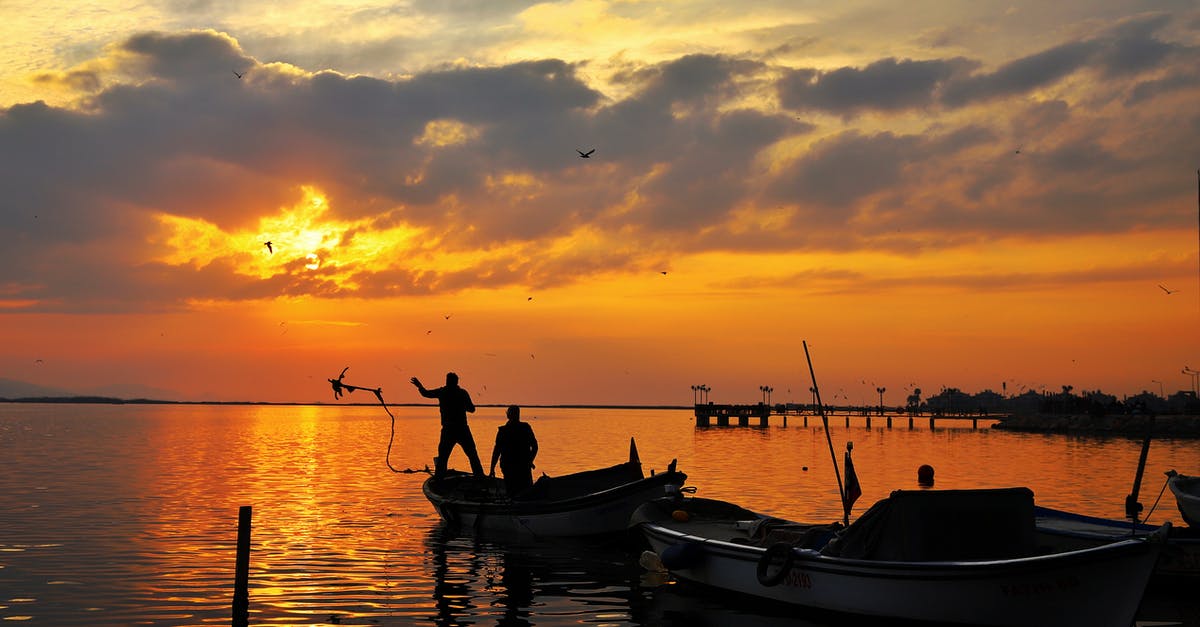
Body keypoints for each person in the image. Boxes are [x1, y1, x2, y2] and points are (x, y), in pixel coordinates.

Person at [412, 372, 485, 479]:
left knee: (443, 457)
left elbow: (426, 393)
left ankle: (439, 479)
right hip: (462, 429)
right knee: (472, 455)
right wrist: (461, 405)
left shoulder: (443, 392)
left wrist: (419, 386)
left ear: (447, 381)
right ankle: (480, 478)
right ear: (456, 382)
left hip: (449, 430)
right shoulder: (462, 393)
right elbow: (472, 409)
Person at [490, 405, 538, 497]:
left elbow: (496, 452)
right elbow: (535, 447)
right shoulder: (526, 428)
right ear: (518, 415)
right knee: (527, 492)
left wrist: (492, 469)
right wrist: (530, 460)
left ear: (508, 415)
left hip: (511, 467)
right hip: (522, 466)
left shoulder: (503, 431)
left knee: (512, 493)